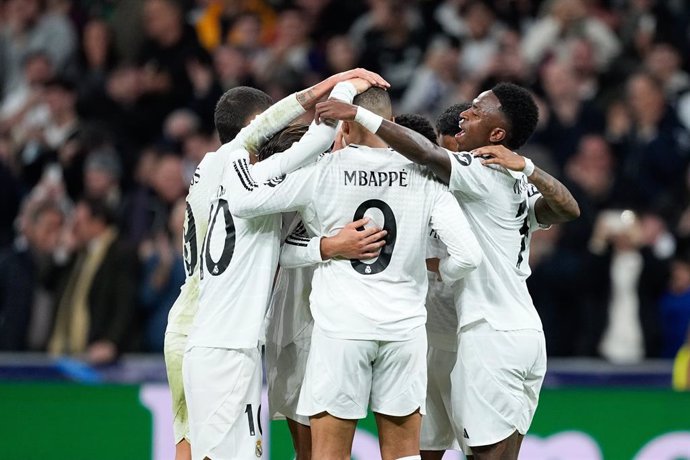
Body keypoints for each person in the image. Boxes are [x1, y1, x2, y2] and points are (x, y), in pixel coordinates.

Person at [315, 82, 579, 459]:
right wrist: (531, 168)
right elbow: (569, 209)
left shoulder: (479, 170)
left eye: (475, 110)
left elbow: (424, 153)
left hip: (488, 334)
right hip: (522, 331)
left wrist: (360, 115)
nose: (465, 113)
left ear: (497, 134)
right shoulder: (514, 179)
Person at [226, 87, 482, 460]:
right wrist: (441, 268)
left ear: (343, 127)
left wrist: (325, 247)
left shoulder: (323, 172)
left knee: (329, 453)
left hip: (341, 331)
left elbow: (247, 203)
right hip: (405, 331)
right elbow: (469, 256)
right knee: (404, 454)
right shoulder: (425, 176)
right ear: (391, 124)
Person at [170, 68, 388, 460]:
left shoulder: (225, 169)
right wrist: (345, 88)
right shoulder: (255, 193)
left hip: (211, 338)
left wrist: (327, 245)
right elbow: (315, 145)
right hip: (226, 349)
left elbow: (281, 246)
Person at [265, 113, 439, 459]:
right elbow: (276, 250)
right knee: (316, 450)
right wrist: (330, 246)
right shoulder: (317, 175)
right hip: (304, 325)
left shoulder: (364, 178)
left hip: (345, 324)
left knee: (330, 450)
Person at [48, 197, 139, 364]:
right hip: (70, 353)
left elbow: (125, 302)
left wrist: (111, 342)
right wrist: (63, 251)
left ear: (97, 223)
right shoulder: (78, 254)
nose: (73, 229)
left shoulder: (120, 252)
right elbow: (47, 282)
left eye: (78, 222)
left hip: (101, 353)